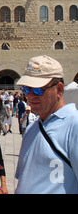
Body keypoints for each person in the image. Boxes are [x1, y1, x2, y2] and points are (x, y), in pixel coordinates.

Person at [15, 55, 78, 194]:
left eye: (38, 90)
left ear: (59, 90)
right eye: (27, 89)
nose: (31, 96)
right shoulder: (32, 128)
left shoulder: (74, 124)